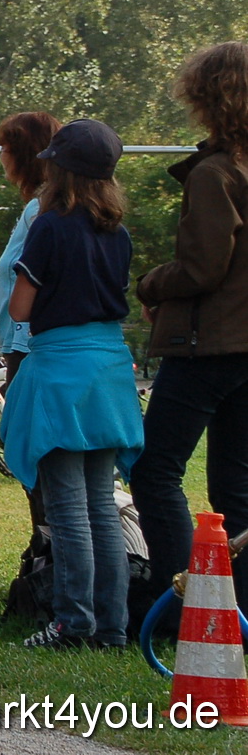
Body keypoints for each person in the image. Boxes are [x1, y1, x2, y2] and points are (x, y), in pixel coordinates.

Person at [1, 119, 141, 649]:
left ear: (56, 169)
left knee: (67, 508)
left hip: (61, 369)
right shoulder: (118, 232)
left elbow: (21, 306)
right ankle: (113, 627)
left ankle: (71, 622)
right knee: (103, 505)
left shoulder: (50, 226)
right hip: (108, 370)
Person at [135, 41, 248, 614]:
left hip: (210, 347)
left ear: (207, 95)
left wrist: (153, 284)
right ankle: (238, 616)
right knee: (238, 488)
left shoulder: (216, 174)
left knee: (155, 471)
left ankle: (184, 609)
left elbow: (205, 267)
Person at [0, 112, 62, 531]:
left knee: (27, 448)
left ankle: (47, 553)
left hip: (26, 346)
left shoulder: (39, 210)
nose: (0, 156)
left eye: (5, 148)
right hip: (22, 339)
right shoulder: (39, 206)